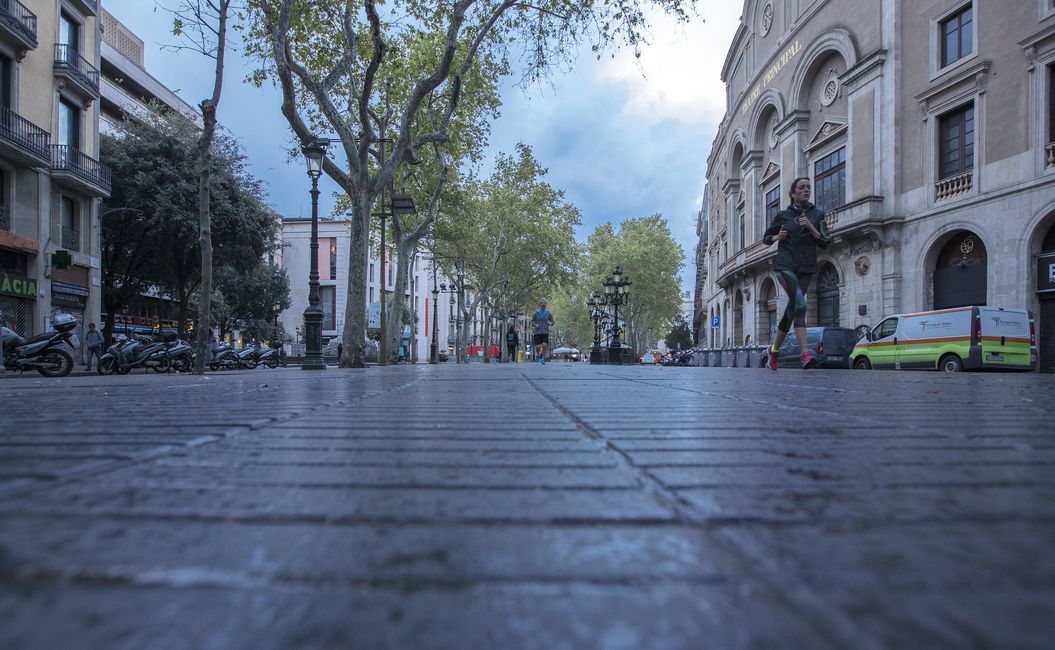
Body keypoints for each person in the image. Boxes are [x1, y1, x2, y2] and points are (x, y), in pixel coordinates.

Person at [762, 176, 831, 370]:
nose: (806, 190)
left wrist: (810, 227)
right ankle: (805, 354)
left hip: (806, 267)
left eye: (808, 187)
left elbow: (825, 241)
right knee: (800, 303)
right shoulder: (783, 215)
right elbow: (766, 238)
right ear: (793, 194)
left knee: (793, 310)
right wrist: (777, 236)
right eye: (801, 188)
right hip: (786, 265)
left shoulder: (818, 214)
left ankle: (774, 350)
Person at [531, 299, 555, 363]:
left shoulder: (548, 313)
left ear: (546, 304)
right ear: (540, 304)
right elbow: (532, 320)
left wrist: (551, 323)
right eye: (542, 303)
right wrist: (535, 325)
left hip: (545, 331)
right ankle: (539, 355)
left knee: (544, 345)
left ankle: (542, 358)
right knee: (538, 347)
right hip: (537, 332)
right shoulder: (536, 313)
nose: (543, 304)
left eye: (544, 303)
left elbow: (552, 321)